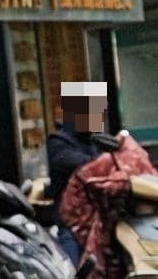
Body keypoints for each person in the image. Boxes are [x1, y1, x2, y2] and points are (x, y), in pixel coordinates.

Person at [46, 81, 110, 264]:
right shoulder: (57, 142)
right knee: (73, 276)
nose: (98, 117)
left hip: (102, 219)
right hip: (73, 225)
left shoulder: (97, 141)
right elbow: (85, 166)